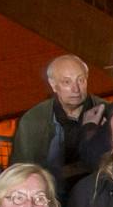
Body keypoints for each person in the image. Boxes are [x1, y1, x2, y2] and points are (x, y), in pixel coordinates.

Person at [11, 53, 105, 187]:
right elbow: (20, 170)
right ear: (53, 85)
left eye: (81, 80)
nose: (76, 89)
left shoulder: (108, 111)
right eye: (67, 82)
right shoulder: (33, 119)